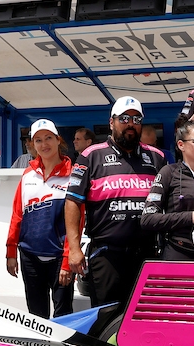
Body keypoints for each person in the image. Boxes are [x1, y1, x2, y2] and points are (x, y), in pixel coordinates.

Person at [65, 96, 166, 308]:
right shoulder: (90, 156)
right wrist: (74, 249)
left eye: (136, 119)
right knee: (106, 317)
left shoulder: (157, 157)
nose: (131, 124)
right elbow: (73, 201)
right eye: (124, 118)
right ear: (111, 122)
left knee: (143, 314)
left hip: (147, 254)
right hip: (107, 255)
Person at [6, 119, 74, 318]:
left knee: (64, 316)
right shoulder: (28, 175)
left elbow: (76, 224)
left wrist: (67, 260)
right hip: (29, 255)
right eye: (38, 140)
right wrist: (11, 252)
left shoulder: (72, 175)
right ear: (32, 145)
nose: (44, 144)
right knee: (36, 316)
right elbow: (17, 215)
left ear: (58, 140)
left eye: (48, 138)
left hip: (60, 257)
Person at [140, 122, 194, 261]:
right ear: (181, 145)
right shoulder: (168, 173)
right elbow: (148, 219)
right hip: (178, 251)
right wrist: (192, 217)